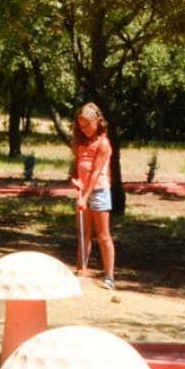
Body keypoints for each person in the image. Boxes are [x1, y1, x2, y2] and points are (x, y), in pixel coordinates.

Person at [71, 103, 116, 291]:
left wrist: (86, 196)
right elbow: (79, 166)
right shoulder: (81, 143)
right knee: (84, 233)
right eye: (81, 125)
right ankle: (81, 269)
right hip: (84, 192)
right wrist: (76, 182)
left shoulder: (103, 143)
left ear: (98, 121)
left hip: (98, 192)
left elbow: (96, 171)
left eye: (87, 125)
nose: (84, 129)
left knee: (103, 235)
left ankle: (109, 277)